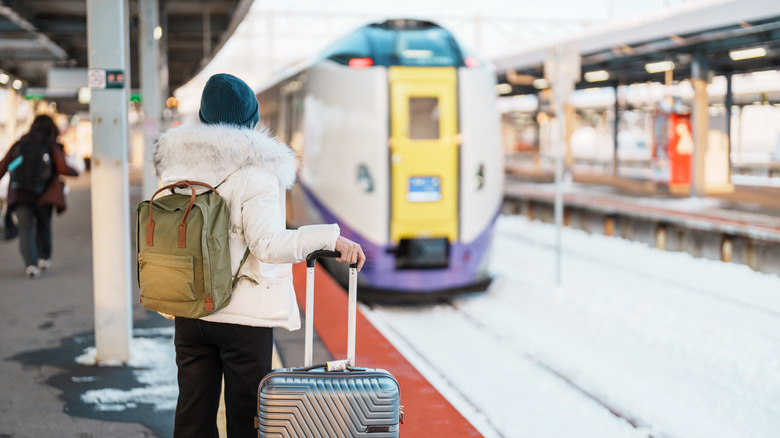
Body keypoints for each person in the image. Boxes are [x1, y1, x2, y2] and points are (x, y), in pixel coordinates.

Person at [153, 73, 365, 437]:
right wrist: (331, 239)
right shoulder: (258, 172)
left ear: (204, 118)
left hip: (189, 309)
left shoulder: (175, 168)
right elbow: (268, 244)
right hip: (243, 319)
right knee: (246, 418)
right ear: (252, 119)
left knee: (192, 413)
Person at [0, 114, 79, 278]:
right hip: (45, 194)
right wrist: (76, 171)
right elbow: (63, 168)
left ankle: (31, 265)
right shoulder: (50, 144)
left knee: (25, 230)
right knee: (44, 226)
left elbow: (3, 167)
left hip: (20, 193)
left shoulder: (19, 143)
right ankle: (44, 258)